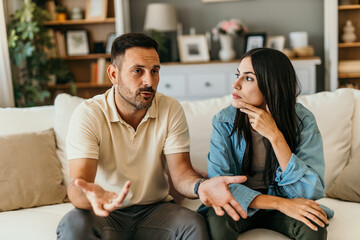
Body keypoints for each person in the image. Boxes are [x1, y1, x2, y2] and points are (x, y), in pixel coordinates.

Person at [56, 33, 248, 240]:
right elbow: (78, 185)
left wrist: (201, 186)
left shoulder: (170, 109)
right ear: (113, 74)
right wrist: (93, 196)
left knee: (193, 224)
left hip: (156, 211)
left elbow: (181, 174)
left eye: (154, 71)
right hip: (104, 213)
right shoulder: (89, 114)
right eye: (138, 71)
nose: (149, 81)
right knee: (73, 226)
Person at [204, 48, 334, 240]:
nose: (235, 84)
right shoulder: (223, 121)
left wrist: (275, 136)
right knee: (217, 224)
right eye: (238, 75)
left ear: (272, 85)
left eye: (248, 78)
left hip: (287, 201)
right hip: (242, 204)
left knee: (314, 227)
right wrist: (278, 204)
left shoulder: (303, 121)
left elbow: (311, 190)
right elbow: (219, 186)